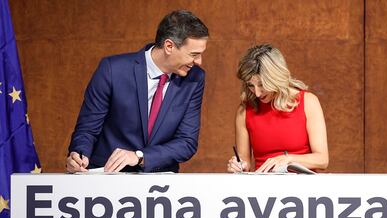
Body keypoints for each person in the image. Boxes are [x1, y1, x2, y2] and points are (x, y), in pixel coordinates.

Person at [66, 10, 209, 173]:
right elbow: (88, 128)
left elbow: (186, 142)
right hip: (106, 177)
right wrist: (78, 155)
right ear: (169, 46)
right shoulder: (113, 70)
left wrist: (140, 156)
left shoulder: (195, 78)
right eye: (194, 54)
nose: (199, 62)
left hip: (159, 182)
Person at [227, 44, 329, 173]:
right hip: (263, 189)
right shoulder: (244, 111)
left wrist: (288, 159)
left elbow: (322, 160)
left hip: (303, 188)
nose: (257, 93)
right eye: (250, 85)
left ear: (276, 78)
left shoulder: (308, 102)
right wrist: (238, 165)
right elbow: (244, 163)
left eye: (262, 84)